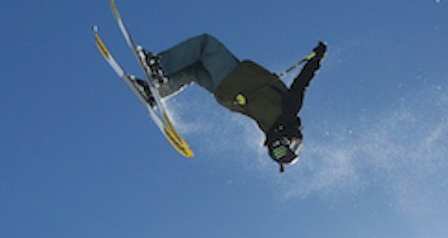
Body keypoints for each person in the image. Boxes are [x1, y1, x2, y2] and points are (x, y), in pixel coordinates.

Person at [138, 36, 327, 172]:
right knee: (193, 72)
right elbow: (276, 141)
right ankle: (154, 93)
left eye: (295, 146)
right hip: (227, 97)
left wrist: (317, 59)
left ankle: (159, 66)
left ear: (286, 141)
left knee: (205, 45)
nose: (299, 142)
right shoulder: (272, 130)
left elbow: (303, 82)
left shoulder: (289, 112)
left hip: (233, 79)